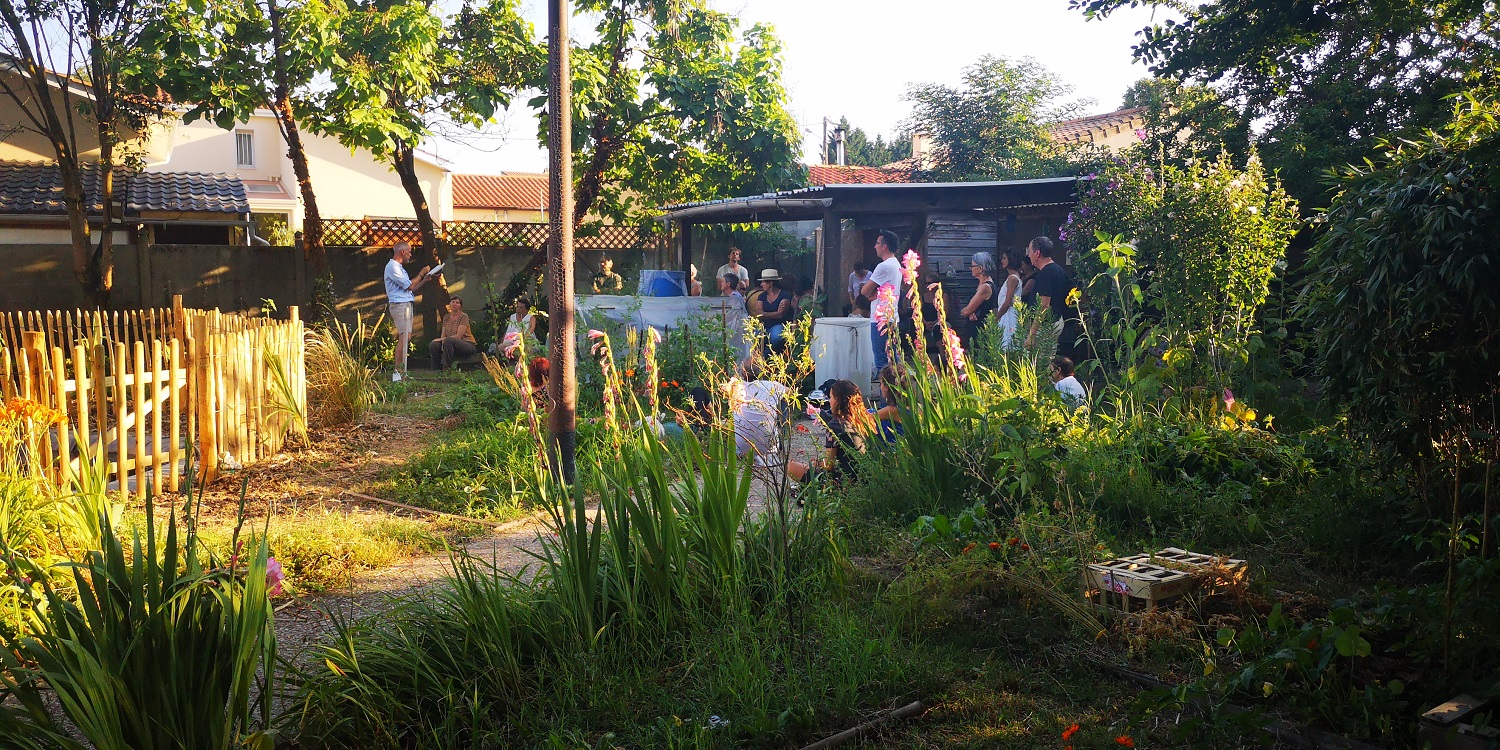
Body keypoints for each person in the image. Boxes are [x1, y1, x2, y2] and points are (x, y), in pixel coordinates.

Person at [788, 379, 874, 486]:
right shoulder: (864, 420)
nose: (829, 401)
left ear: (838, 400)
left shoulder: (836, 425)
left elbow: (829, 465)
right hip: (868, 479)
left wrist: (817, 464)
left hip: (846, 482)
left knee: (791, 467)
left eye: (831, 397)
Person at [383, 241, 436, 381]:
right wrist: (421, 273)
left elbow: (411, 289)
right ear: (402, 252)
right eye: (409, 252)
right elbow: (410, 285)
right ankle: (398, 373)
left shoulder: (399, 268)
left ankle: (401, 372)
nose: (410, 255)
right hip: (399, 305)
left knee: (406, 337)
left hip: (405, 303)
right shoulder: (393, 267)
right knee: (404, 337)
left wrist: (425, 280)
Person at [726, 357, 789, 465]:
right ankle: (780, 441)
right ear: (761, 371)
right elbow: (790, 391)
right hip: (767, 449)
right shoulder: (772, 386)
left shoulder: (735, 387)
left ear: (741, 372)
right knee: (783, 401)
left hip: (740, 449)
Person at [1024, 236, 1080, 358]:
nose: (1028, 256)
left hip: (1046, 326)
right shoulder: (1058, 269)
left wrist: (1032, 334)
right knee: (1048, 359)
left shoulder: (1046, 273)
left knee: (1040, 362)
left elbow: (1044, 305)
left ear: (1037, 253)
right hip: (1055, 321)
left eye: (1030, 251)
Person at [860, 229, 903, 371]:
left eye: (877, 243)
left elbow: (864, 291)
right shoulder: (896, 264)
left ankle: (885, 393)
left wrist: (871, 292)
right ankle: (896, 392)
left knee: (881, 361)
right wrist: (878, 292)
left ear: (884, 246)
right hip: (892, 317)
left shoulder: (883, 266)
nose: (875, 246)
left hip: (880, 319)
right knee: (893, 359)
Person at [958, 251, 1000, 340]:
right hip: (977, 328)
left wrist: (966, 311)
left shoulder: (985, 287)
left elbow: (966, 311)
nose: (970, 268)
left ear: (980, 268)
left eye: (972, 266)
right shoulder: (982, 284)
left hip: (980, 330)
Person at [428, 296, 478, 370]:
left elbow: (458, 336)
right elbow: (443, 334)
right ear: (449, 304)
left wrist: (443, 340)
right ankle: (436, 369)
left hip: (467, 343)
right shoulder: (446, 317)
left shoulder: (463, 317)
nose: (455, 304)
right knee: (433, 344)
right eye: (453, 302)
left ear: (460, 306)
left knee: (449, 340)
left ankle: (447, 367)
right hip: (449, 343)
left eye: (457, 303)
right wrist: (441, 341)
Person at [755, 269, 793, 348]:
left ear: (771, 283)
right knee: (754, 336)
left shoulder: (784, 295)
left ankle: (765, 355)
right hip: (763, 325)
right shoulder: (761, 296)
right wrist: (775, 313)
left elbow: (781, 315)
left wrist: (764, 314)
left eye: (763, 282)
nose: (761, 284)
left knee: (776, 337)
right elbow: (758, 314)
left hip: (779, 324)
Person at [994, 247, 1023, 347]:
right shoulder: (1014, 276)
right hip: (1008, 313)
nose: (1002, 261)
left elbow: (1007, 302)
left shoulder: (1012, 278)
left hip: (1008, 315)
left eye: (1004, 258)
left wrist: (996, 318)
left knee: (1006, 344)